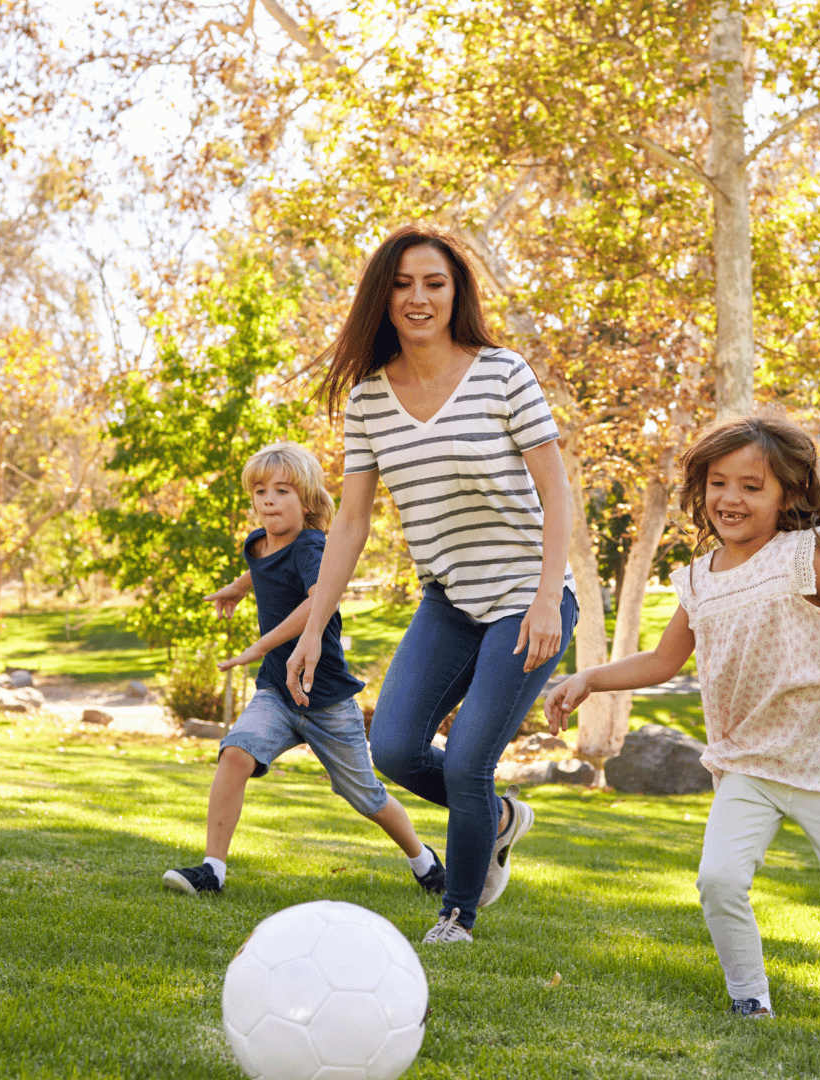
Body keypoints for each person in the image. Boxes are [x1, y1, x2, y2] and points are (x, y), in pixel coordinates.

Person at [545, 416, 820, 1020]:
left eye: (752, 486)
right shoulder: (696, 582)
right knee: (720, 880)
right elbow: (661, 661)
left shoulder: (803, 557)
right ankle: (749, 999)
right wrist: (589, 678)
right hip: (746, 761)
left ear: (786, 494)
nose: (731, 499)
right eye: (718, 483)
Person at [287, 225, 578, 944]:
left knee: (472, 757)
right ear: (383, 297)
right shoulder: (368, 402)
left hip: (525, 599)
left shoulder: (504, 373)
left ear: (457, 294)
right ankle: (502, 819)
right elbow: (351, 524)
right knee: (393, 748)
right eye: (404, 284)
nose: (419, 298)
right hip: (448, 602)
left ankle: (458, 914)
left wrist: (548, 598)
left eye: (435, 283)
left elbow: (559, 493)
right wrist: (313, 628)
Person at [162, 441, 444, 898]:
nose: (268, 500)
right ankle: (212, 870)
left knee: (365, 796)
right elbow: (264, 569)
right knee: (235, 753)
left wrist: (260, 645)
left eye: (282, 491)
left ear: (308, 501)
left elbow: (319, 599)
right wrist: (236, 588)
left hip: (326, 697)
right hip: (277, 691)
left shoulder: (314, 547)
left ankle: (425, 862)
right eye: (260, 491)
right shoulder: (257, 542)